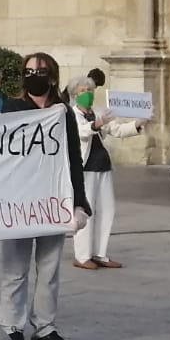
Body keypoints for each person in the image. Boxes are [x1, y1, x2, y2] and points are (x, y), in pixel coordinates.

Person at [0, 66, 90, 340]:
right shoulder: (13, 109)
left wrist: (79, 200)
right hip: (20, 201)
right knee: (16, 271)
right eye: (28, 70)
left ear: (51, 78)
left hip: (53, 199)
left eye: (39, 70)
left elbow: (74, 157)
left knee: (49, 270)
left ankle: (45, 328)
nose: (33, 75)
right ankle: (11, 327)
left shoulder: (63, 113)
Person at [69, 75, 120, 270]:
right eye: (82, 91)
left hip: (103, 165)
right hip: (85, 168)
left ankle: (100, 253)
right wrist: (95, 125)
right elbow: (80, 131)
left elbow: (116, 129)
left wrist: (139, 123)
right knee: (86, 212)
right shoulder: (72, 114)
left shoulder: (97, 112)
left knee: (107, 210)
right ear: (75, 94)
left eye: (89, 90)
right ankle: (82, 256)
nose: (87, 94)